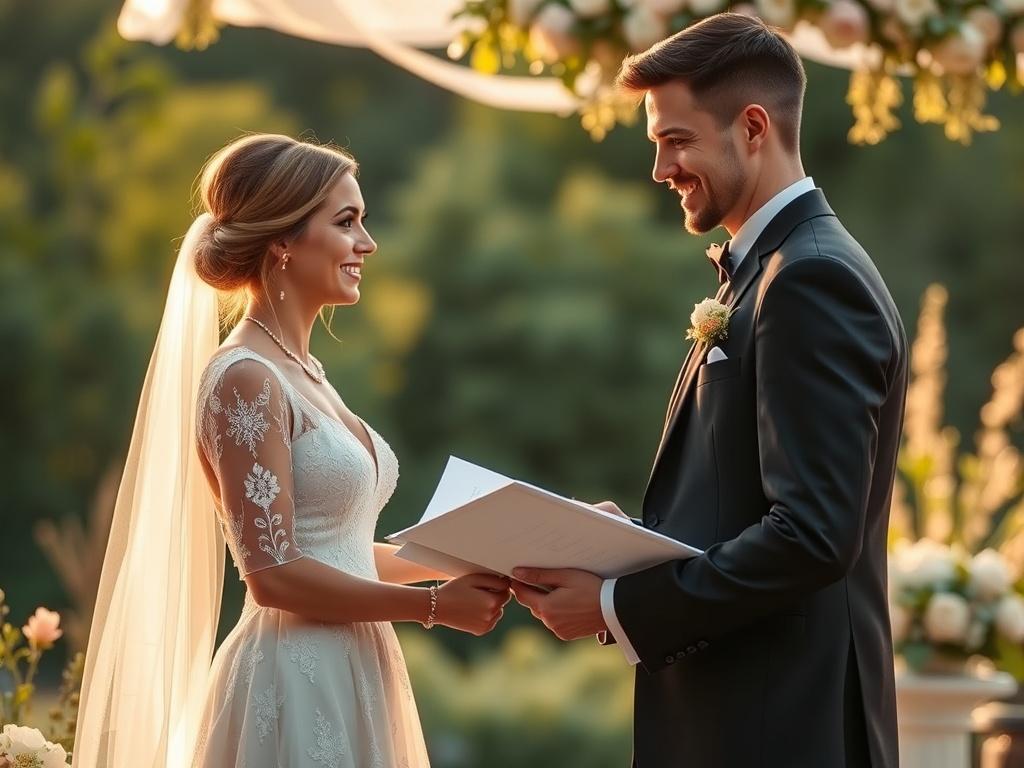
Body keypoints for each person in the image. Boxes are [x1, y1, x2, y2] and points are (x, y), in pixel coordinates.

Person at [511, 14, 906, 767]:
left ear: (752, 127)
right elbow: (748, 502)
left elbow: (813, 535)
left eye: (676, 140)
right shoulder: (776, 271)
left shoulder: (811, 280)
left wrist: (615, 604)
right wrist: (619, 550)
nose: (661, 169)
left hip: (781, 729)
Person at [74, 133, 511, 768]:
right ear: (283, 239)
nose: (368, 243)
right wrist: (435, 606)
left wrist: (479, 555)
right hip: (295, 676)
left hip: (357, 664)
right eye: (346, 222)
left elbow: (340, 553)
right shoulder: (245, 377)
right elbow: (274, 574)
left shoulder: (304, 373)